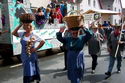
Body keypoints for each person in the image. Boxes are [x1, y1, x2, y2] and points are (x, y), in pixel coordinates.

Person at [12, 14, 45, 83]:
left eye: (27, 27)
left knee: (32, 68)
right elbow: (13, 33)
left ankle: (31, 80)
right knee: (27, 69)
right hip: (24, 55)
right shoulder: (22, 34)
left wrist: (35, 49)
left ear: (31, 27)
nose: (26, 28)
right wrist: (20, 25)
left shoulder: (34, 35)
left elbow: (42, 41)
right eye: (25, 27)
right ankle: (30, 80)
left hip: (32, 55)